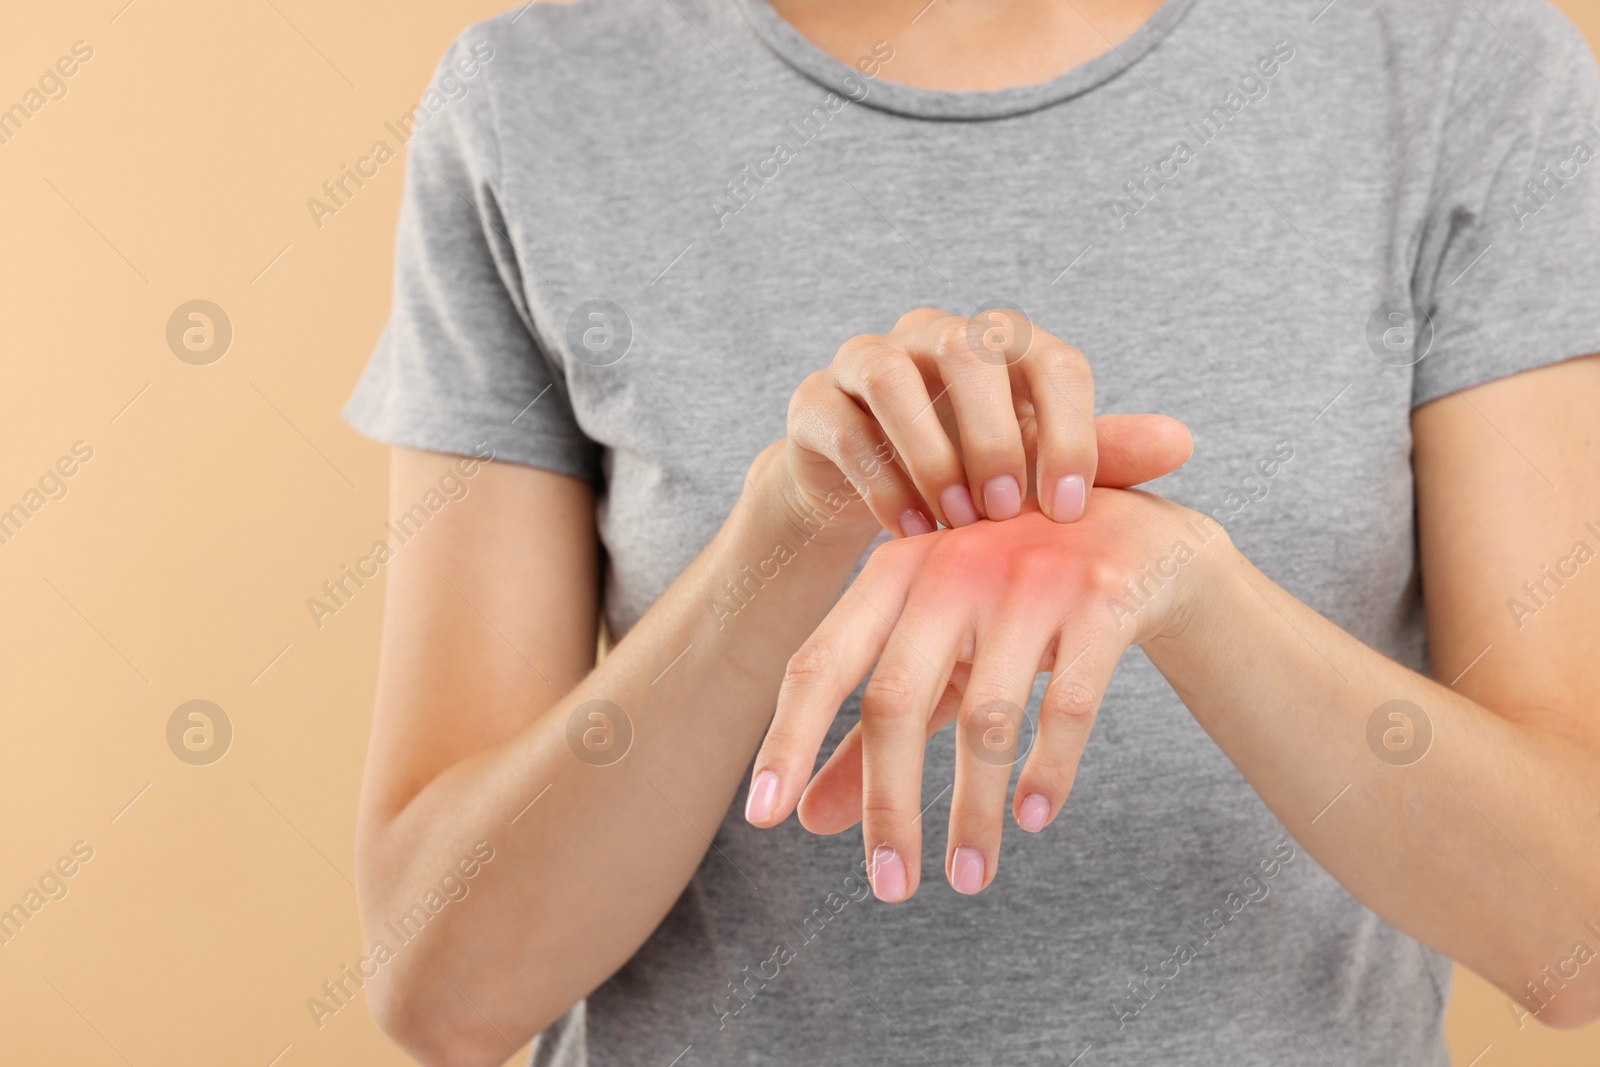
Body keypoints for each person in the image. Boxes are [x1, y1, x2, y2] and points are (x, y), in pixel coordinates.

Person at [341, 0, 1600, 1064]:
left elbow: (1575, 935)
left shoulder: (1464, 67)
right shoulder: (539, 94)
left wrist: (1180, 587)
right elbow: (448, 988)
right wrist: (783, 541)